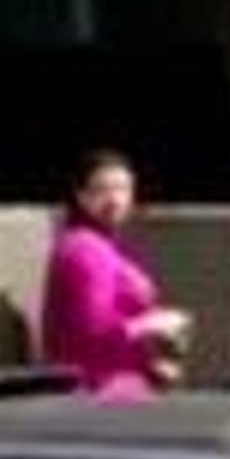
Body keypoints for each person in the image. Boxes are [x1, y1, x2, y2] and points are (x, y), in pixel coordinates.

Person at [37, 150, 188, 397]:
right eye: (102, 190)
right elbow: (93, 333)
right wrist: (152, 324)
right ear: (81, 196)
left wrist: (150, 365)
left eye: (123, 189)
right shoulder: (85, 249)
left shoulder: (102, 245)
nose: (114, 199)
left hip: (118, 388)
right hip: (99, 395)